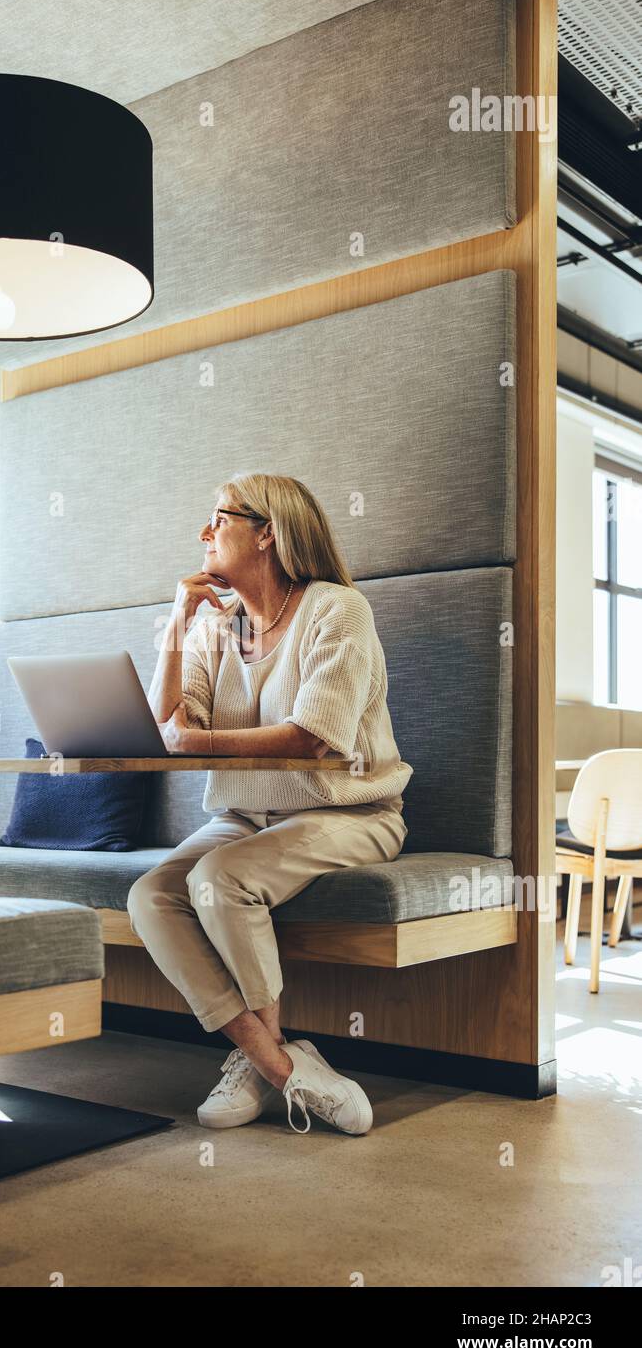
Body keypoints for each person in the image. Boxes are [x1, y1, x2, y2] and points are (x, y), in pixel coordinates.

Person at [127, 473, 413, 1135]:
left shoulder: (337, 610)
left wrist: (195, 738)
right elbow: (164, 728)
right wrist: (176, 620)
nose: (204, 533)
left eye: (218, 518)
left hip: (347, 815)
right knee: (150, 895)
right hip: (243, 816)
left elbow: (313, 739)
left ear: (267, 532)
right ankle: (278, 1065)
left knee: (218, 880)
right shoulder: (212, 627)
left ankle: (260, 1065)